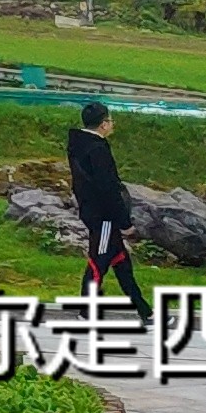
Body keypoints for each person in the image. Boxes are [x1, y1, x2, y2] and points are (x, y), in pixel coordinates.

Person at [68, 100, 141, 300]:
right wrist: (124, 222)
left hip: (91, 211)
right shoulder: (98, 150)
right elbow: (108, 188)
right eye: (110, 121)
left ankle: (145, 311)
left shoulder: (78, 145)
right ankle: (86, 309)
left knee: (122, 263)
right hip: (104, 217)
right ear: (104, 124)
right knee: (99, 262)